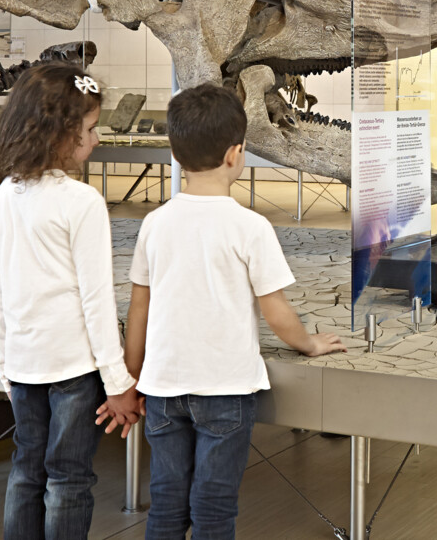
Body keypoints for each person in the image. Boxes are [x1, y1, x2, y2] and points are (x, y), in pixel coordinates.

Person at [123, 84, 347, 540]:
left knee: (166, 504)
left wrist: (133, 376)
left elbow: (139, 304)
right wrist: (309, 342)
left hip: (163, 389)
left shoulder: (155, 222)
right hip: (225, 390)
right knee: (214, 507)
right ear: (235, 154)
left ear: (174, 150)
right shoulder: (250, 227)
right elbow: (276, 310)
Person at [0, 63, 143, 540]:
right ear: (58, 132)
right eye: (89, 130)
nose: (95, 140)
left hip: (24, 369)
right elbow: (95, 300)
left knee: (26, 470)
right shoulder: (81, 202)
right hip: (74, 371)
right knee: (69, 477)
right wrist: (118, 383)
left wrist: (3, 365)